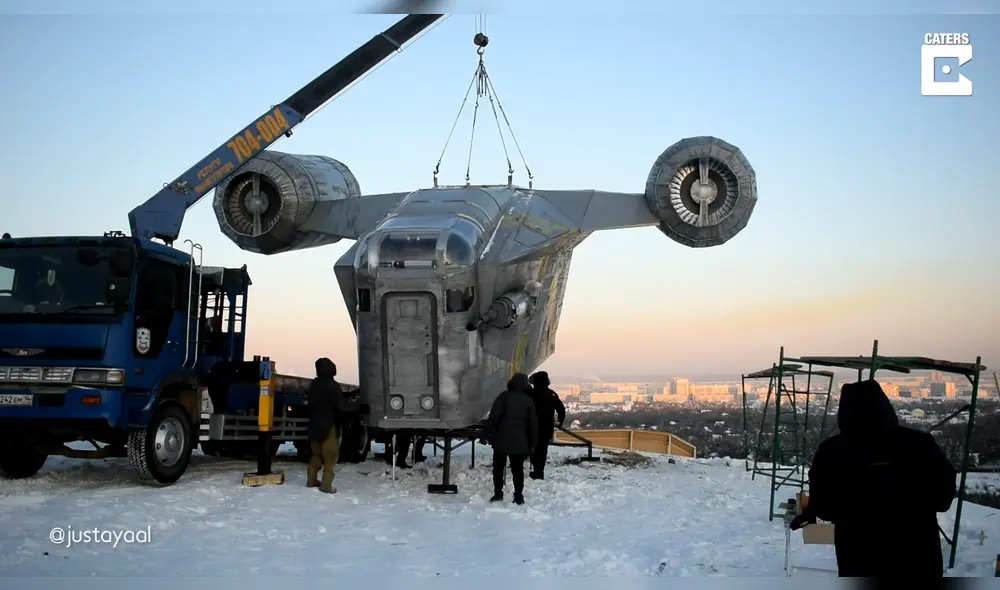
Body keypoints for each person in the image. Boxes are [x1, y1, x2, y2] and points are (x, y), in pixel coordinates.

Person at [790, 380, 956, 578]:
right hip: (917, 557)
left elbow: (824, 508)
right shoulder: (919, 444)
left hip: (859, 557)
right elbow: (943, 498)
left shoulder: (832, 451)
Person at [482, 373, 537, 505]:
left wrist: (486, 434)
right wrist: (533, 444)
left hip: (501, 439)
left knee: (498, 467)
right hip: (520, 442)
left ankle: (498, 493)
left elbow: (493, 418)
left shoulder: (503, 397)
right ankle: (518, 496)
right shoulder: (528, 401)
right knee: (517, 470)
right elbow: (533, 425)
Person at [306, 358, 342, 493]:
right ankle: (326, 485)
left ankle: (311, 480)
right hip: (328, 426)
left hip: (314, 425)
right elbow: (340, 405)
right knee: (330, 457)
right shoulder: (333, 385)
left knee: (316, 454)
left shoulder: (314, 384)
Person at [528, 371, 566, 480]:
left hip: (532, 426)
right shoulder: (551, 394)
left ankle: (536, 469)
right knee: (543, 450)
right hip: (546, 427)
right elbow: (561, 409)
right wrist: (560, 421)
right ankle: (539, 471)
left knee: (533, 447)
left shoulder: (531, 394)